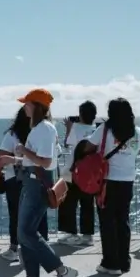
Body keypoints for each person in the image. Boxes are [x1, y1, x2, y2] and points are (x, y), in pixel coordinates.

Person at [0, 89, 78, 277]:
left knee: (26, 232)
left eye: (27, 103)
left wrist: (23, 150)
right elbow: (36, 161)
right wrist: (15, 160)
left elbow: (46, 161)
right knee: (26, 233)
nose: (24, 106)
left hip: (36, 185)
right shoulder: (40, 128)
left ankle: (63, 271)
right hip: (30, 181)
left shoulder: (44, 129)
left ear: (37, 107)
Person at [84, 98, 140, 275]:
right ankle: (124, 261)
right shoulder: (137, 131)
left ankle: (110, 263)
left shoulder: (104, 129)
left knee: (107, 221)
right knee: (123, 221)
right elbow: (139, 150)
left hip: (107, 181)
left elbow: (88, 147)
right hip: (128, 180)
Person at [0, 106, 48, 262]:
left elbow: (1, 157)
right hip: (38, 178)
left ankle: (14, 248)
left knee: (16, 215)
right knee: (39, 215)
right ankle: (41, 247)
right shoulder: (41, 134)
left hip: (15, 180)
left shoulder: (12, 135)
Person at [58, 101, 98, 246]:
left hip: (72, 171)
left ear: (80, 114)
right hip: (90, 173)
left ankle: (71, 233)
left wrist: (69, 128)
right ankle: (87, 236)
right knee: (87, 203)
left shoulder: (76, 128)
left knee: (68, 202)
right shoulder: (97, 130)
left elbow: (67, 143)